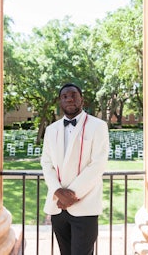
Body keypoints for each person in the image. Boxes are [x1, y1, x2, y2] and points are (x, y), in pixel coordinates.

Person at [41, 83, 109, 255]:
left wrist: (71, 195)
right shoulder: (50, 130)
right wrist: (58, 191)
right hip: (58, 207)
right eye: (64, 96)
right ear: (60, 102)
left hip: (84, 204)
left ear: (82, 99)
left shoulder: (98, 126)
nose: (69, 98)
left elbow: (98, 164)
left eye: (73, 95)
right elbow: (46, 163)